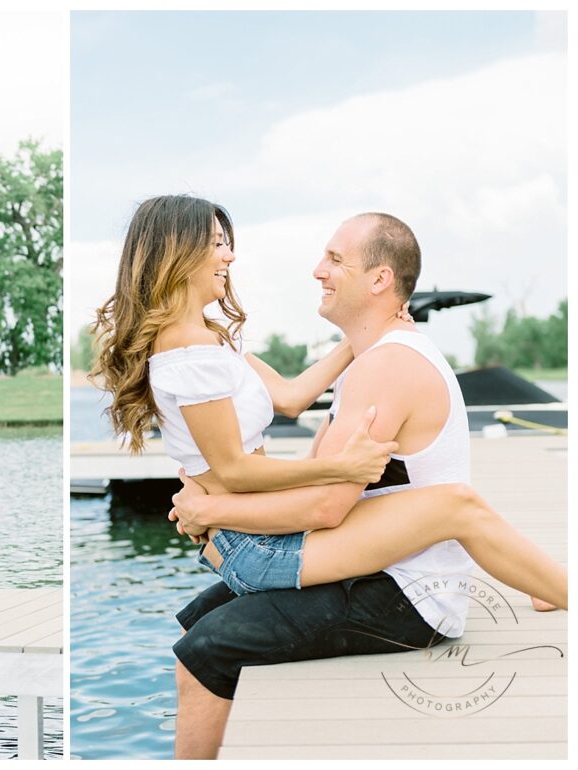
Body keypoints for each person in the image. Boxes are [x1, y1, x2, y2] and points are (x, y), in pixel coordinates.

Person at [90, 197, 566, 758]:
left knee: (209, 644)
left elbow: (305, 450)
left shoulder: (369, 361)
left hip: (402, 590)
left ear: (379, 279)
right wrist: (218, 506)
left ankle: (556, 589)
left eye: (334, 259)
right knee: (202, 628)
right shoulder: (196, 349)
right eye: (218, 243)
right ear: (178, 253)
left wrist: (211, 511)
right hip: (335, 552)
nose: (232, 255)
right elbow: (258, 467)